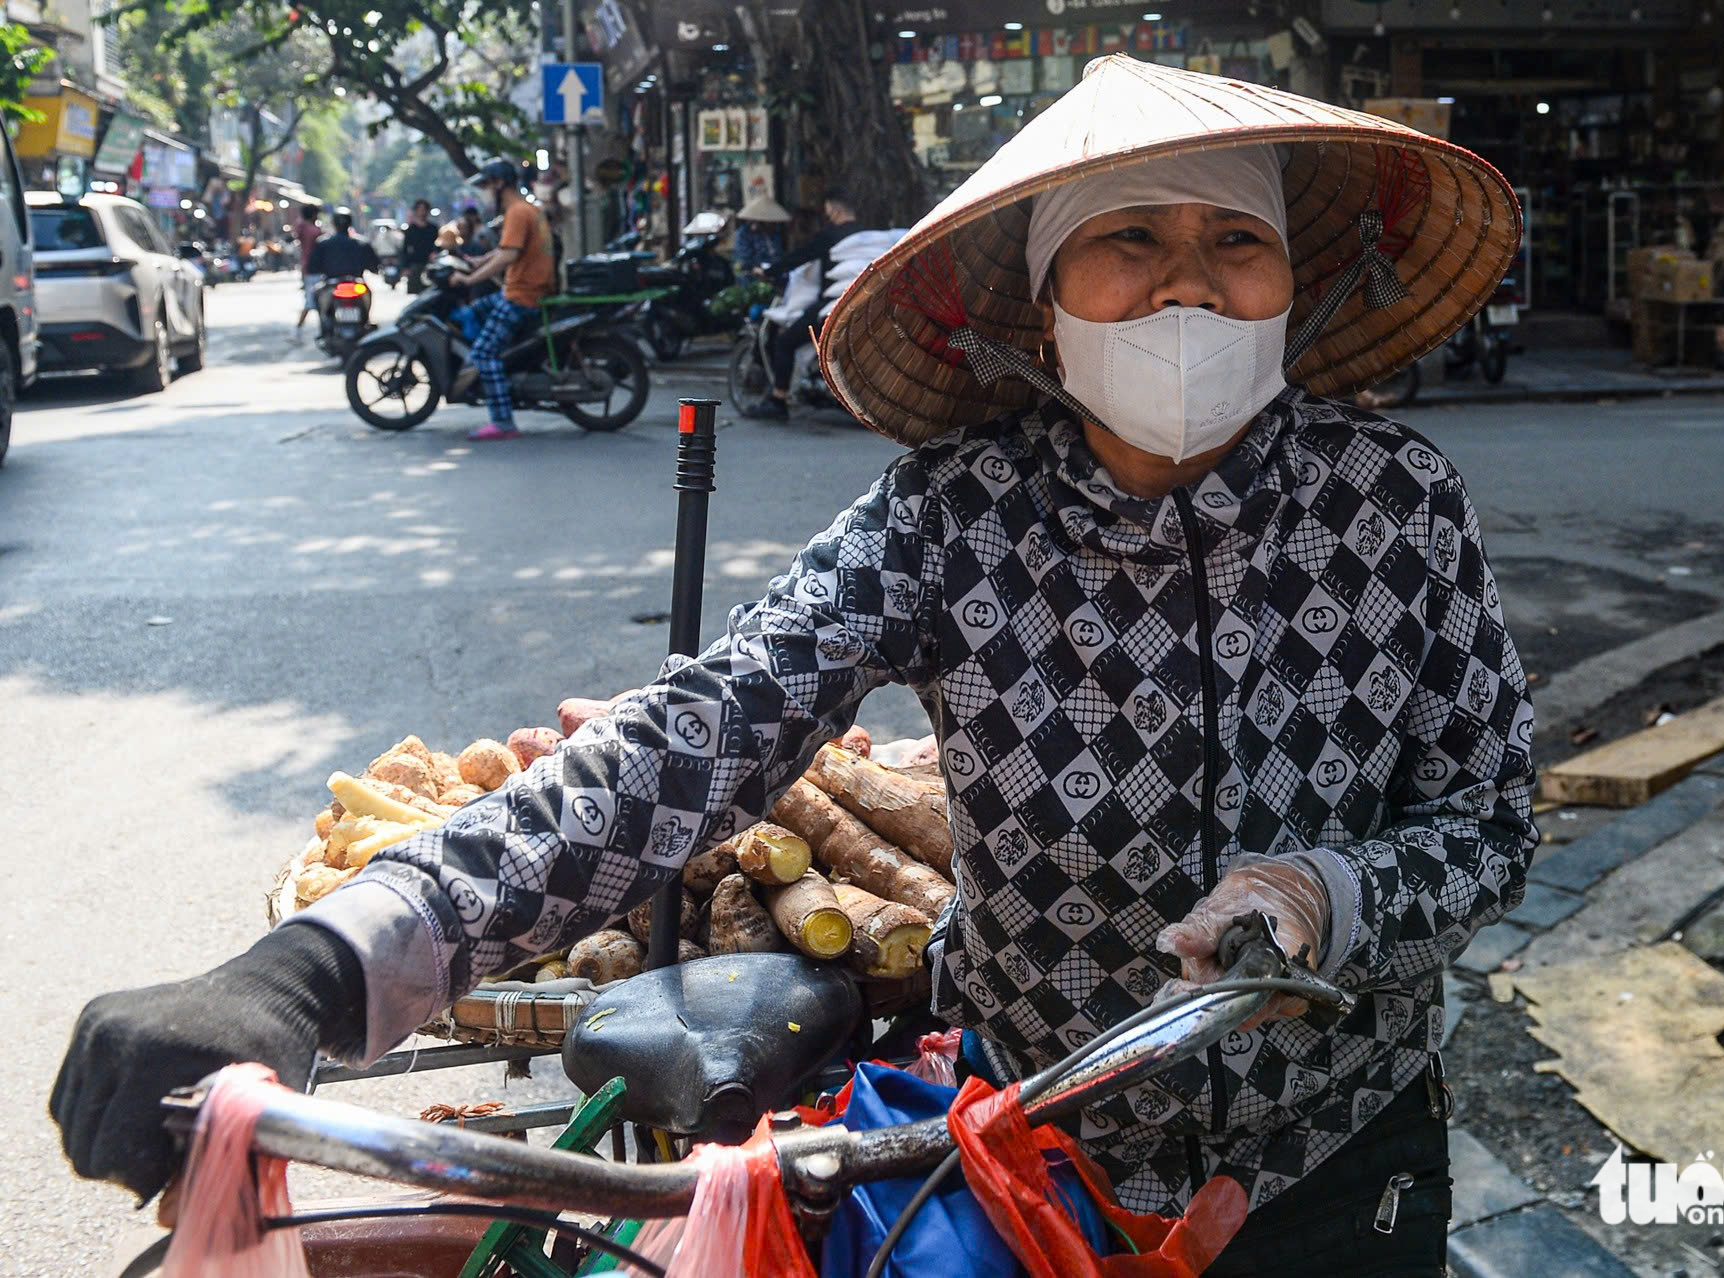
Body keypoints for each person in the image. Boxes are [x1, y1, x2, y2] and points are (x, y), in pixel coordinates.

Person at [52, 56, 1535, 1275]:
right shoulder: (956, 513)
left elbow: (1490, 812)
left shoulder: (1396, 499)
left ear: (1294, 278)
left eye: (1234, 242)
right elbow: (705, 727)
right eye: (1129, 242)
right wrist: (327, 960)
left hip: (1344, 1157)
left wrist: (1326, 894)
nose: (1187, 292)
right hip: (1041, 1158)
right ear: (1042, 301)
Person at [443, 158, 555, 442]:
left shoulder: (517, 212)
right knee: (471, 312)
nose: (484, 192)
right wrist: (479, 260)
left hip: (522, 295)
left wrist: (470, 279)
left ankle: (503, 422)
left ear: (499, 184)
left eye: (486, 185)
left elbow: (508, 256)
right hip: (524, 290)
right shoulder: (529, 209)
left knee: (483, 354)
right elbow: (507, 249)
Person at [739, 188, 866, 421]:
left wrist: (769, 271)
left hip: (833, 306)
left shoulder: (830, 235)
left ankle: (779, 399)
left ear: (834, 208)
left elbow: (801, 256)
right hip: (863, 305)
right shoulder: (866, 237)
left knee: (786, 341)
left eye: (827, 208)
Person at [291, 203, 326, 336]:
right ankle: (298, 331)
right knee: (313, 301)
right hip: (313, 270)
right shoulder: (311, 230)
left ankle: (299, 330)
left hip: (310, 269)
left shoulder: (304, 228)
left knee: (313, 301)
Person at [732, 194, 789, 273]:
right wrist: (755, 268)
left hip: (776, 271)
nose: (773, 225)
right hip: (753, 274)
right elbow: (744, 258)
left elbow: (779, 253)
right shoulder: (744, 234)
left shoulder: (776, 232)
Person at [401, 198, 437, 292]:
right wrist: (406, 267)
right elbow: (405, 249)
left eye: (424, 209)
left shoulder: (433, 228)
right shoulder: (410, 229)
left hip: (431, 264)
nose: (422, 212)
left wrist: (435, 254)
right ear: (416, 211)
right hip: (415, 265)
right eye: (420, 210)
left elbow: (438, 245)